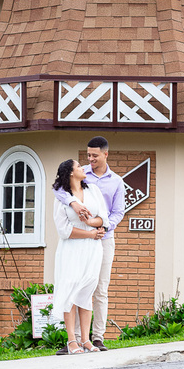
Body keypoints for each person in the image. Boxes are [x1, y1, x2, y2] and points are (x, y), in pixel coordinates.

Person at [53, 136, 125, 351]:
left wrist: (101, 227)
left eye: (94, 155)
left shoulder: (116, 181)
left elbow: (117, 212)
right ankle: (73, 339)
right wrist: (73, 203)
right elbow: (59, 190)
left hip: (104, 239)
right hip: (79, 240)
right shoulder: (80, 173)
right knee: (75, 286)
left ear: (106, 154)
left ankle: (97, 337)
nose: (90, 159)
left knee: (99, 288)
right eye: (88, 155)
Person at [50, 159, 106, 354]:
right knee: (70, 291)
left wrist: (90, 222)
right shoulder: (62, 198)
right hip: (71, 249)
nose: (84, 168)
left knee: (86, 291)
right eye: (79, 166)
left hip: (92, 249)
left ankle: (86, 339)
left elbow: (103, 218)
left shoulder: (93, 191)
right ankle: (71, 341)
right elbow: (63, 230)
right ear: (71, 173)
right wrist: (90, 233)